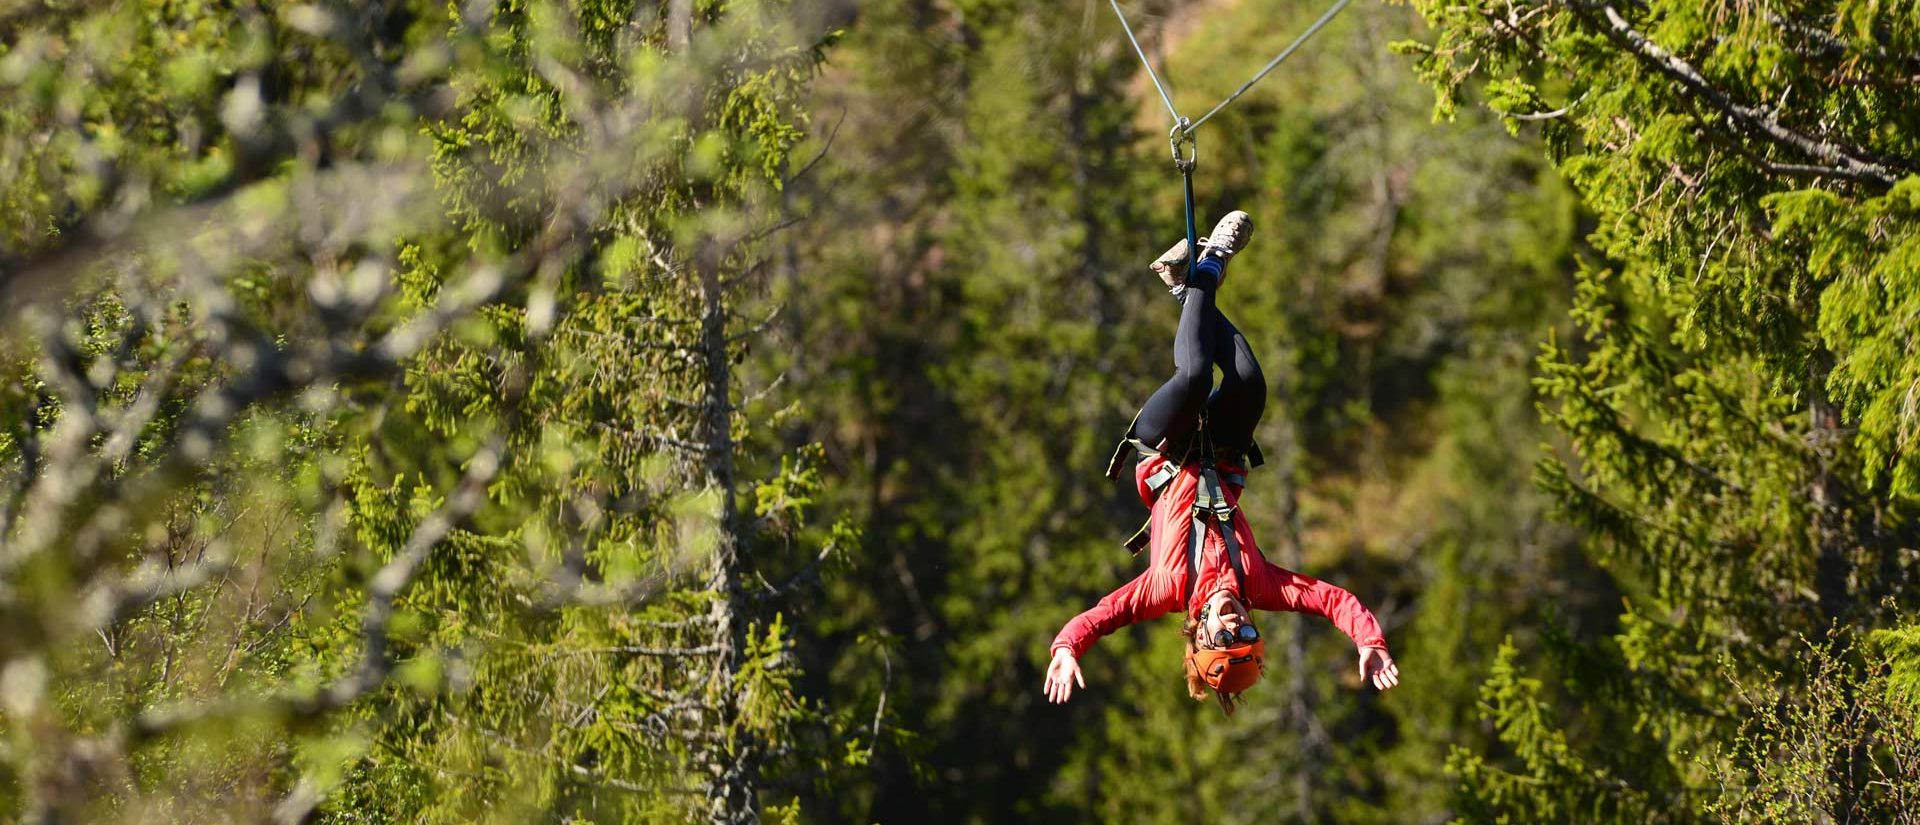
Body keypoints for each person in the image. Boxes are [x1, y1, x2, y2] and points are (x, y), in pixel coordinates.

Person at [1043, 211, 1401, 715]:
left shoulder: (1163, 589)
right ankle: (1191, 286)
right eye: (1248, 634)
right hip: (1222, 451)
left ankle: (1205, 269)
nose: (1238, 624)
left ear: (1200, 635)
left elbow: (1102, 616)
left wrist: (1065, 648)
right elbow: (1329, 599)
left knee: (1191, 377)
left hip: (1164, 449)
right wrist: (1369, 640)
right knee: (1249, 383)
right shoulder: (1257, 582)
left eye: (1226, 636)